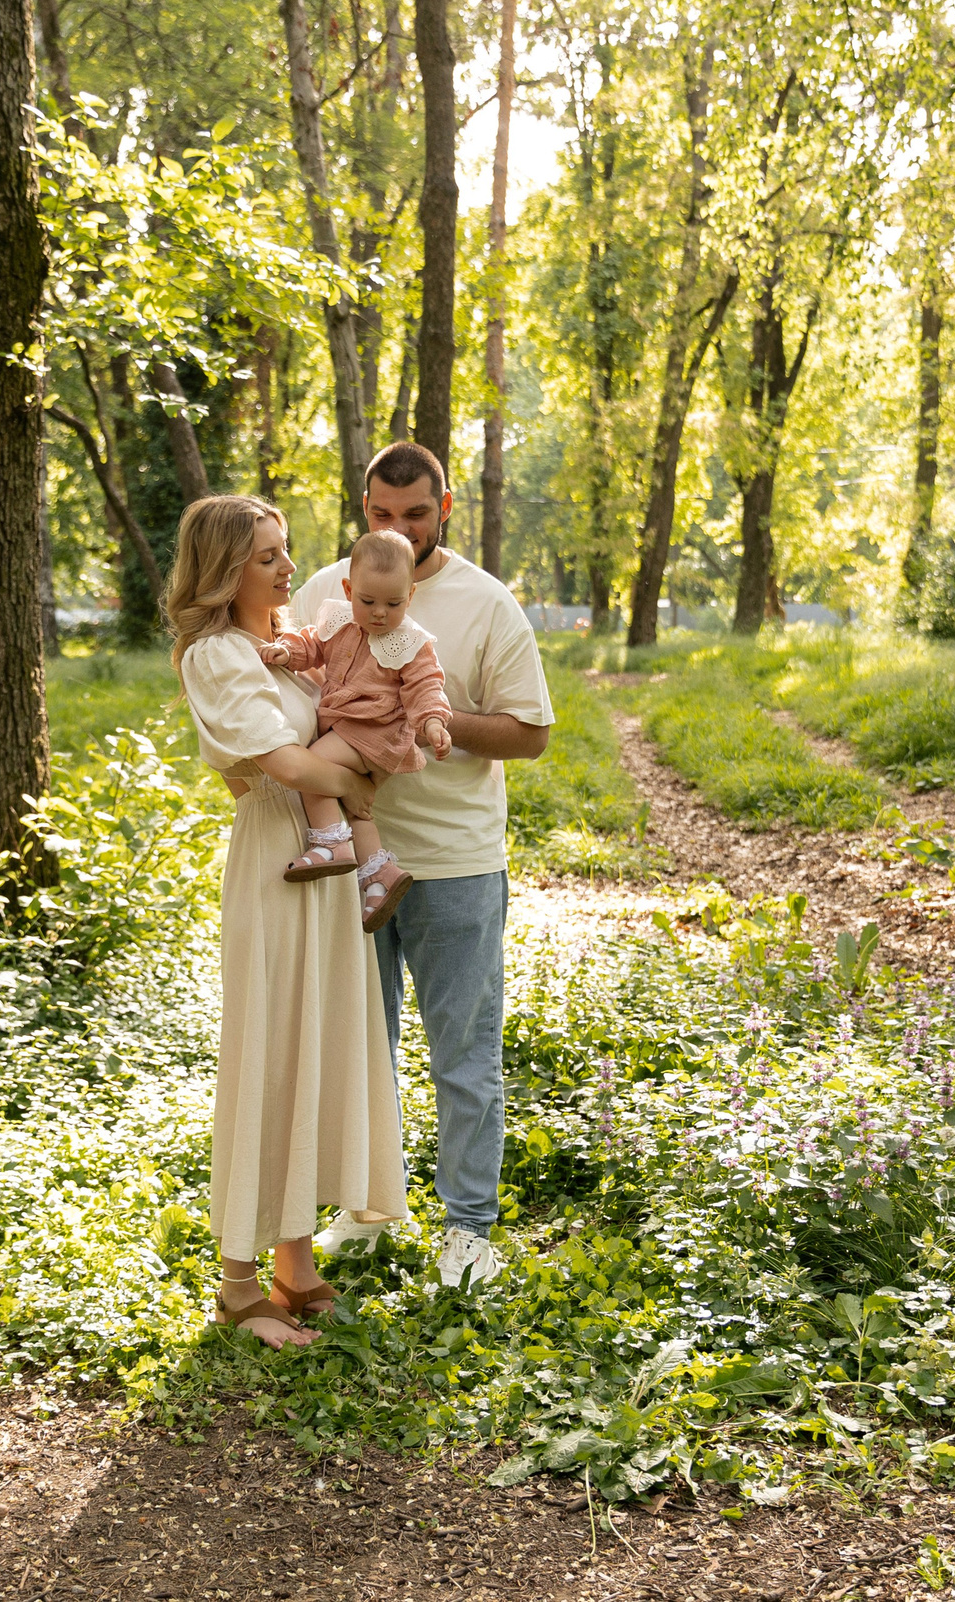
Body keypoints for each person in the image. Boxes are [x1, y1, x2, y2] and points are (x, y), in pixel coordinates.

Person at [291, 442, 554, 1291]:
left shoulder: (486, 603)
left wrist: (422, 719)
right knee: (361, 1049)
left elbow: (531, 733)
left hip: (456, 865)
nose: (395, 529)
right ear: (364, 509)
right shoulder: (330, 592)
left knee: (463, 1056)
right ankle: (370, 1211)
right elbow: (288, 690)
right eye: (379, 513)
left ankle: (469, 1230)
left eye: (413, 514)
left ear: (445, 510)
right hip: (350, 866)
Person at [167, 493, 410, 1347]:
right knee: (271, 1051)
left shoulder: (284, 648)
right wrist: (353, 783)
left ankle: (296, 1264)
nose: (286, 567)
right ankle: (239, 1286)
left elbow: (340, 725)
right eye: (267, 555)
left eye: (285, 550)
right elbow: (279, 760)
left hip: (325, 857)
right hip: (279, 856)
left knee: (316, 1042)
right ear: (225, 567)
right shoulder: (217, 655)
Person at [259, 528, 454, 931]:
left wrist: (433, 721)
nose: (380, 612)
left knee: (313, 767)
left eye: (393, 603)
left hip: (375, 733)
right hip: (349, 731)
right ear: (349, 590)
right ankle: (378, 876)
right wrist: (288, 651)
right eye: (368, 601)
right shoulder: (339, 621)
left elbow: (425, 685)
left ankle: (330, 843)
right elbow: (312, 644)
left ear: (411, 596)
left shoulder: (410, 642)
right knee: (354, 804)